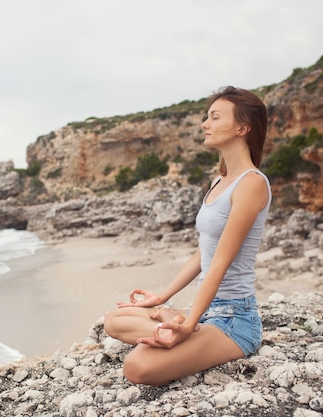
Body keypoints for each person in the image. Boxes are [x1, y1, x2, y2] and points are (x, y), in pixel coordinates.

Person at [103, 86, 271, 386]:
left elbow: (220, 262)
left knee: (137, 367)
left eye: (215, 117)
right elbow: (204, 251)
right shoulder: (219, 181)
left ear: (242, 128)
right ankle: (178, 319)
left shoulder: (252, 184)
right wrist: (163, 296)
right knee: (113, 320)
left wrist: (190, 322)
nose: (205, 124)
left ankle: (185, 326)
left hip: (235, 321)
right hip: (207, 312)